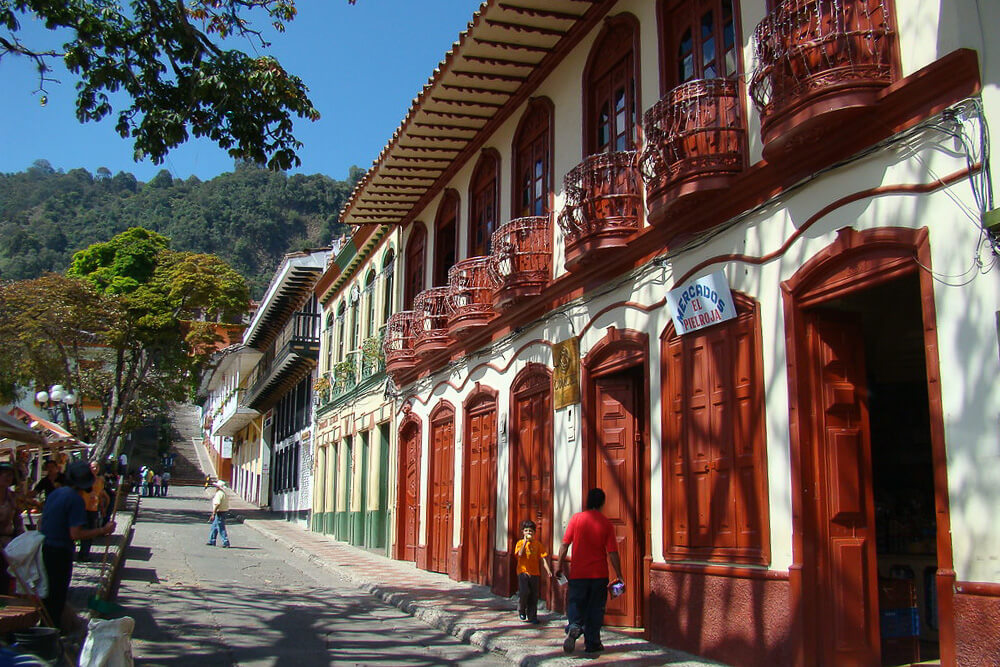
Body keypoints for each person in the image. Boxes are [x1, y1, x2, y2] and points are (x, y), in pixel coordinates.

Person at [39, 460, 115, 629]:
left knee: (46, 592)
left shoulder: (55, 494)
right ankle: (52, 632)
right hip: (60, 551)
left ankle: (46, 626)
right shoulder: (75, 500)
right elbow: (76, 534)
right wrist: (102, 530)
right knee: (57, 595)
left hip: (44, 547)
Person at [555, 488, 624, 655]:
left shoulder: (576, 519)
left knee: (576, 603)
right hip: (599, 574)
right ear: (602, 503)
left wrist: (559, 566)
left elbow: (565, 544)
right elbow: (612, 552)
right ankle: (592, 642)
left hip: (578, 572)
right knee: (595, 609)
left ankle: (574, 627)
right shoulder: (606, 523)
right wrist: (619, 574)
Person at [514, 519, 552, 624]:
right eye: (526, 531)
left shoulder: (538, 545)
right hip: (523, 571)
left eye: (530, 531)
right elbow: (519, 554)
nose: (528, 533)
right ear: (523, 532)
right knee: (524, 592)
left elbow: (543, 558)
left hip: (535, 573)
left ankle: (532, 616)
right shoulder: (520, 543)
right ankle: (521, 609)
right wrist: (525, 542)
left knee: (534, 595)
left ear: (534, 533)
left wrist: (548, 570)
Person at [0, 462, 26, 594]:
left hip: (8, 545)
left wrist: (21, 539)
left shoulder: (12, 498)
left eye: (10, 475)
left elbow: (18, 520)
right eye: (4, 474)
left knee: (6, 578)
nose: (8, 477)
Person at [77, 461, 109, 562]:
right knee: (84, 531)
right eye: (92, 467)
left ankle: (86, 552)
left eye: (96, 467)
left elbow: (99, 495)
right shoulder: (84, 480)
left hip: (94, 509)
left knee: (91, 532)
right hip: (83, 509)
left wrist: (102, 508)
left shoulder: (99, 481)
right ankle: (83, 553)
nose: (94, 469)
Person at [206, 480, 231, 548]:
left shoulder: (219, 494)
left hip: (220, 512)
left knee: (221, 527)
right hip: (224, 511)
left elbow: (217, 504)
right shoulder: (224, 493)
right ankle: (212, 540)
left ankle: (225, 542)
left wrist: (213, 513)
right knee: (214, 526)